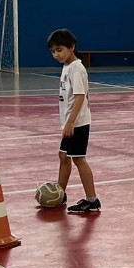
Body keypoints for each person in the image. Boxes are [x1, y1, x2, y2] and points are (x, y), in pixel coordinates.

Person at [47, 28, 100, 213]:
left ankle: (92, 200)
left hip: (77, 123)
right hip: (70, 123)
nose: (56, 54)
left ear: (71, 47)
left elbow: (79, 97)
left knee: (78, 159)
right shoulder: (67, 67)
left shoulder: (76, 69)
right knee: (63, 156)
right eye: (53, 51)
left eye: (59, 50)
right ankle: (60, 194)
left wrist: (70, 122)